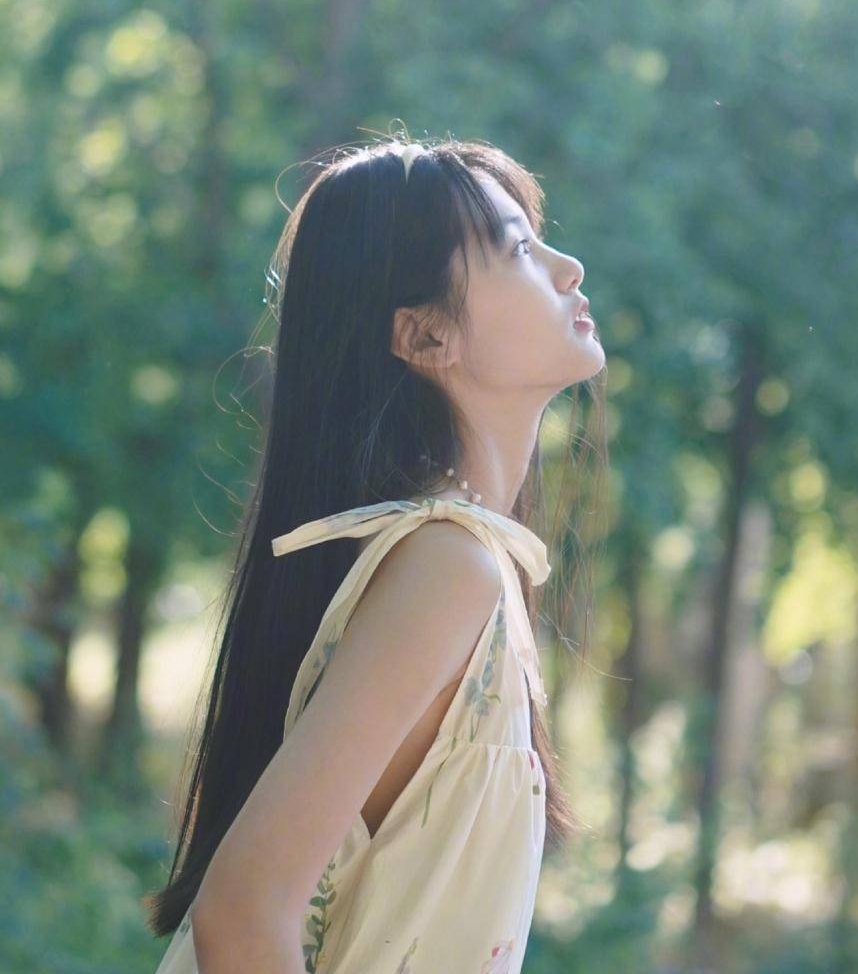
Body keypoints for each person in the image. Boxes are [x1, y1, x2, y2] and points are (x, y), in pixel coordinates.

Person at [146, 133, 606, 972]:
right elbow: (243, 909)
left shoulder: (467, 564)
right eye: (518, 250)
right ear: (427, 338)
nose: (568, 267)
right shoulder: (447, 566)